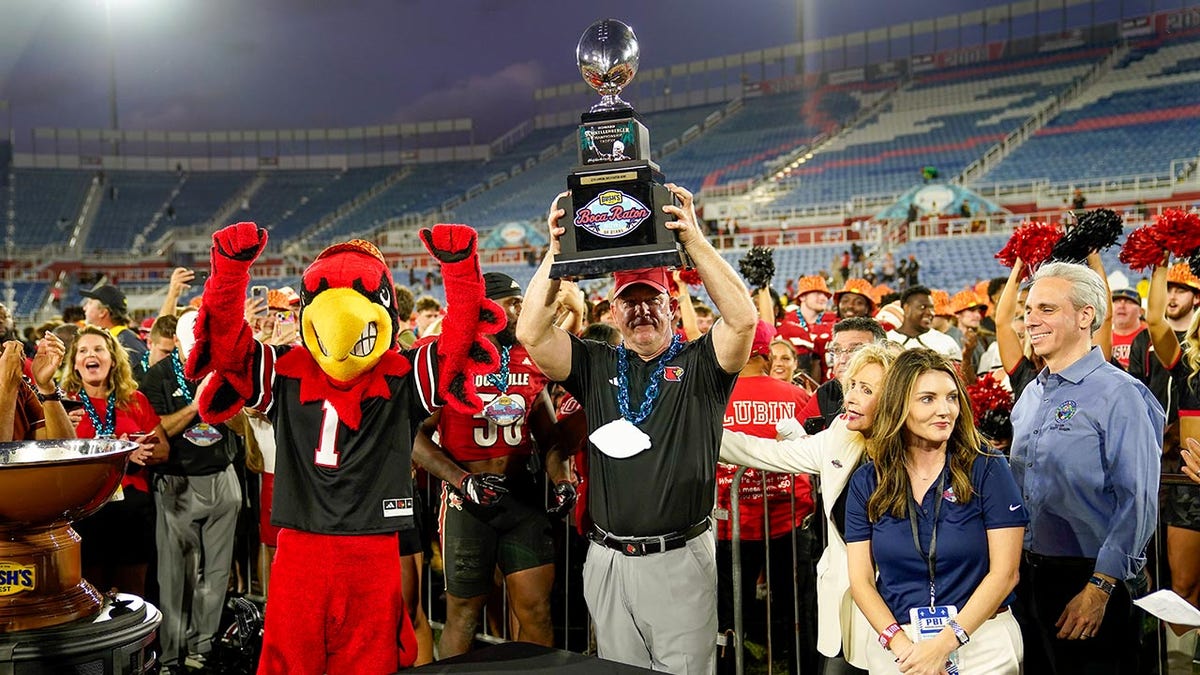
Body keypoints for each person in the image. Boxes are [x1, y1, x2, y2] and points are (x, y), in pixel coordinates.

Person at [516, 184, 757, 672]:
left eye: (653, 299)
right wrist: (556, 252)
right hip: (606, 559)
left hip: (678, 558)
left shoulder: (702, 364)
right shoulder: (596, 362)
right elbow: (531, 333)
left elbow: (743, 320)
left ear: (672, 307)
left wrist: (693, 240)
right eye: (630, 301)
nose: (642, 310)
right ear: (613, 311)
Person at [1010, 261, 1163, 674]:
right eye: (1029, 310)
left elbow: (1138, 499)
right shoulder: (1030, 394)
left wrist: (1100, 587)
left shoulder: (1121, 394)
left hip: (1091, 579)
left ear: (1085, 316)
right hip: (1028, 579)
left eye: (1046, 309)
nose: (1031, 320)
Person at [411, 271, 571, 658]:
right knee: (464, 614)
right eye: (513, 304)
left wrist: (562, 479)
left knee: (536, 610)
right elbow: (414, 435)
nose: (520, 312)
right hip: (467, 503)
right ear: (486, 309)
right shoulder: (450, 360)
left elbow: (549, 436)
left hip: (522, 499)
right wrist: (461, 480)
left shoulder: (528, 357)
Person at [721, 344, 900, 674]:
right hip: (848, 602)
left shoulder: (920, 453)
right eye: (852, 386)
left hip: (900, 608)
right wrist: (699, 434)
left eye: (866, 390)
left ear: (895, 398)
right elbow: (765, 452)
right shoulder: (840, 436)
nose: (850, 398)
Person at [844, 349, 1026, 674]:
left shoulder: (987, 468)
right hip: (899, 648)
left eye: (952, 397)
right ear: (899, 405)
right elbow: (861, 582)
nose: (945, 410)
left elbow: (1005, 574)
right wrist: (907, 650)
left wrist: (942, 645)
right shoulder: (868, 481)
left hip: (982, 642)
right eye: (927, 399)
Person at [141, 310, 243, 672]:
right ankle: (171, 655)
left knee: (216, 573)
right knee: (175, 576)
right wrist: (196, 406)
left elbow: (241, 425)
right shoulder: (157, 376)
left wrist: (225, 402)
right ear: (178, 344)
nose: (198, 353)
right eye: (191, 347)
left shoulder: (224, 370)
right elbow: (156, 430)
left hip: (223, 476)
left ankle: (204, 648)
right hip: (178, 481)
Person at [716, 320, 815, 673]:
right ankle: (800, 664)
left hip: (731, 523)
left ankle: (729, 667)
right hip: (789, 519)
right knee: (797, 607)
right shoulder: (797, 395)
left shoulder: (714, 396)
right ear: (767, 354)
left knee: (729, 611)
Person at [63, 326, 168, 600]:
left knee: (134, 592)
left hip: (131, 508)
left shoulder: (134, 400)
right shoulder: (65, 406)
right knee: (90, 593)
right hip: (85, 508)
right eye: (83, 351)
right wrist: (119, 453)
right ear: (75, 364)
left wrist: (139, 449)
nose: (91, 355)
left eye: (98, 349)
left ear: (112, 359)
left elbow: (163, 449)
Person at [1142, 260, 1200, 635]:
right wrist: (1160, 263)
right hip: (1189, 489)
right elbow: (1155, 320)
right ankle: (1183, 660)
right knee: (1183, 591)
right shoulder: (1186, 366)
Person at [798, 317, 888, 435]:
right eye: (837, 350)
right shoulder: (827, 392)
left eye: (855, 350)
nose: (842, 359)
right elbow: (791, 434)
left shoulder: (898, 391)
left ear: (881, 353)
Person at [0, 332, 75, 442]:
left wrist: (46, 388)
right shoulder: (10, 383)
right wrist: (7, 389)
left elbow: (63, 447)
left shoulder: (18, 386)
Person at [886, 286, 962, 362]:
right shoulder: (887, 340)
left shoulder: (946, 342)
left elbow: (958, 369)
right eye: (923, 307)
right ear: (906, 308)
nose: (930, 313)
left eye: (932, 308)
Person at [81, 284, 148, 360]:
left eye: (90, 303)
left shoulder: (126, 344)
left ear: (103, 312)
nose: (84, 308)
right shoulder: (120, 339)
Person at [1109, 288, 1145, 371]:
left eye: (1129, 302)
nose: (1121, 306)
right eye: (1116, 301)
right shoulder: (1101, 339)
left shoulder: (1149, 338)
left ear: (1141, 311)